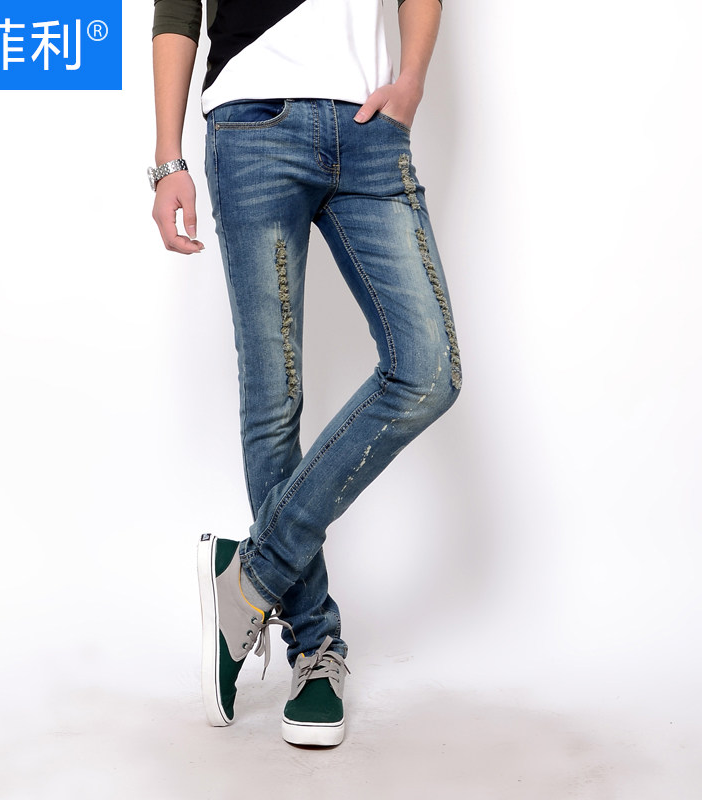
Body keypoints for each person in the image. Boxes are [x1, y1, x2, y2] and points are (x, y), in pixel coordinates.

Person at [150, 0, 460, 747]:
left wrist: (412, 80)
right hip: (250, 123)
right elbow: (177, 10)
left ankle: (249, 579)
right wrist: (167, 161)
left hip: (369, 125)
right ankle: (315, 649)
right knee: (273, 399)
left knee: (428, 371)